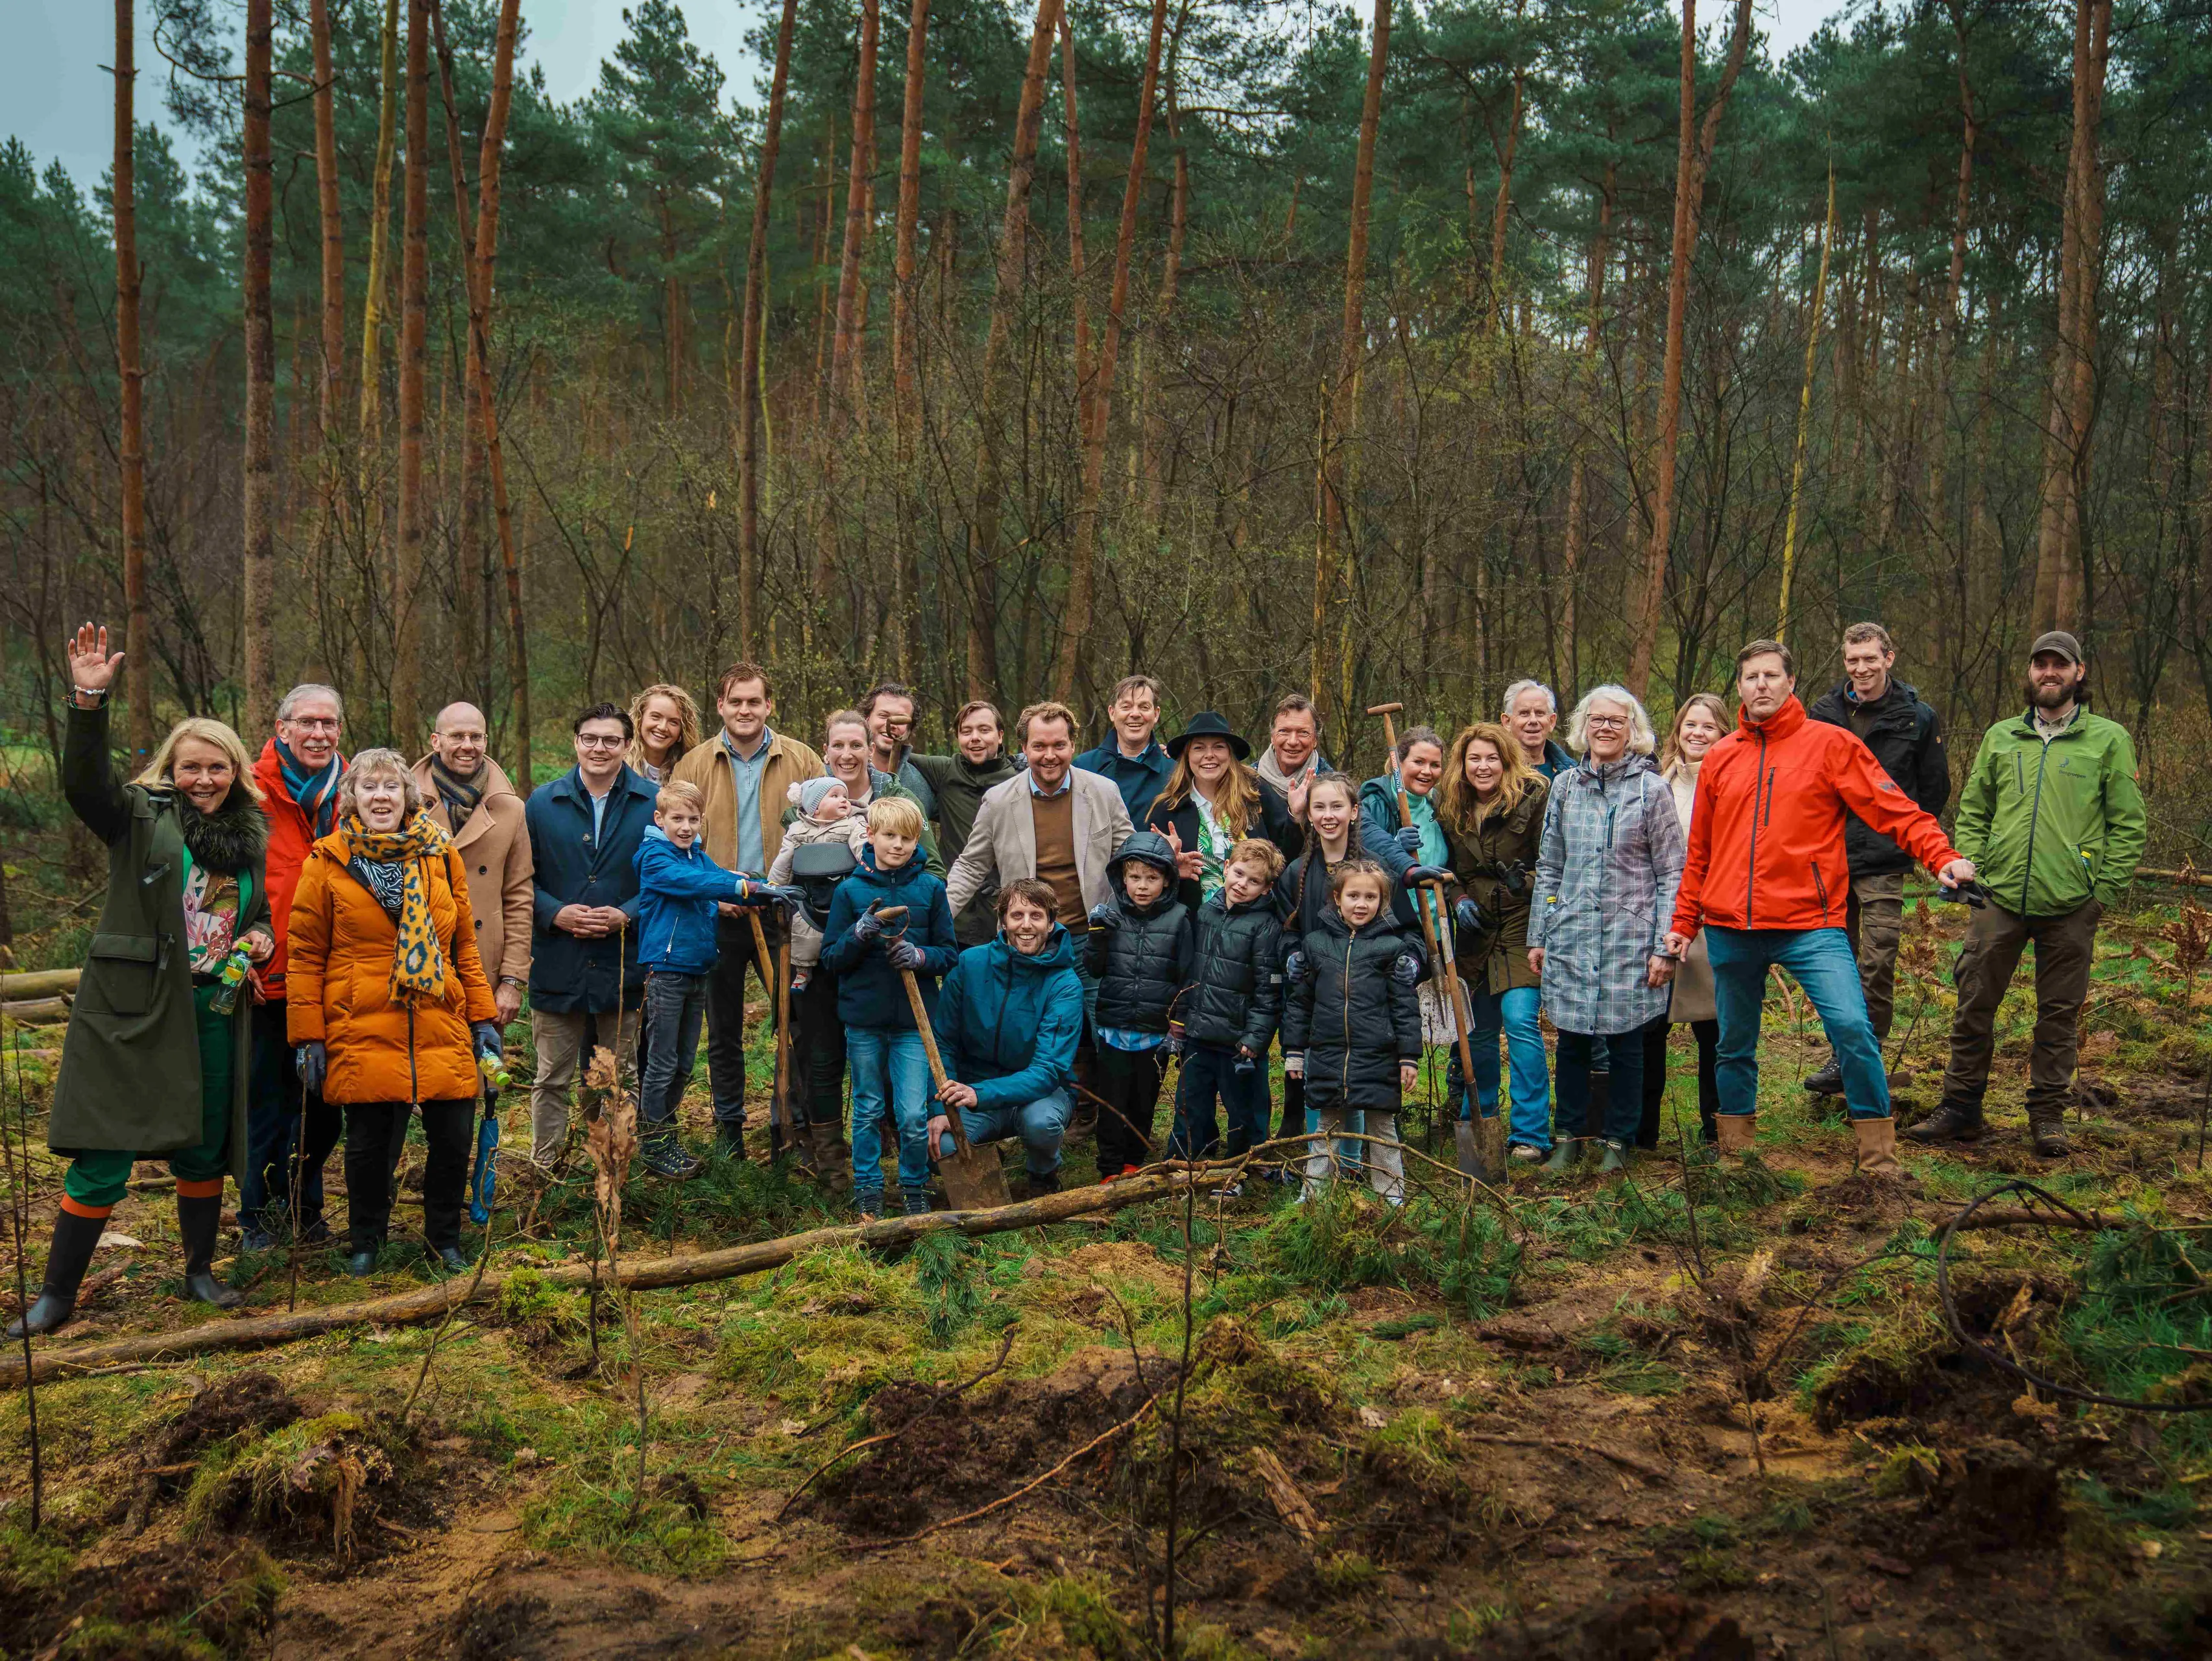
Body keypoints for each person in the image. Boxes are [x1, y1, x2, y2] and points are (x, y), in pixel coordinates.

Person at [10, 625, 274, 1337]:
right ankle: (56, 1296)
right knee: (104, 1150)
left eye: (217, 768)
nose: (204, 780)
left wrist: (259, 937)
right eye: (191, 767)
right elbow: (81, 783)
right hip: (132, 1008)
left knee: (203, 1145)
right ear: (170, 768)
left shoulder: (251, 836)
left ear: (237, 772)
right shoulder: (137, 814)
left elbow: (264, 916)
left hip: (212, 1009)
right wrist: (89, 700)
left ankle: (198, 1271)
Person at [1664, 642, 1977, 1178]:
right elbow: (1701, 855)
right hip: (1732, 929)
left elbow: (1895, 807)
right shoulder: (1721, 758)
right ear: (1738, 688)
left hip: (1811, 925)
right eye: (1750, 677)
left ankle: (1878, 1159)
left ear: (1791, 682)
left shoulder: (1830, 745)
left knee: (1853, 1028)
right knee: (1734, 1045)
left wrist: (1942, 857)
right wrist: (1683, 923)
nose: (1760, 685)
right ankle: (1737, 1159)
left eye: (1770, 675)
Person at [1914, 631, 2146, 1155]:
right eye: (2040, 664)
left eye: (2059, 665)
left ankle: (2047, 1116)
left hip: (2071, 904)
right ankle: (1961, 1107)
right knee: (1974, 1003)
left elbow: (2128, 825)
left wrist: (2101, 893)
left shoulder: (2108, 739)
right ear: (2030, 672)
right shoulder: (2001, 737)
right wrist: (1970, 863)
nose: (2049, 673)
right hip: (1997, 897)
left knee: (2058, 1014)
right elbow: (1975, 808)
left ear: (2079, 673)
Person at [286, 749, 502, 1276]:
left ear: (408, 796)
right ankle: (367, 1243)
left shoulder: (438, 854)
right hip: (360, 1024)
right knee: (366, 1148)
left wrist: (483, 1019)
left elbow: (463, 949)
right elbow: (305, 953)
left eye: (390, 787)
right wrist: (308, 1036)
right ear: (352, 798)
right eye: (369, 787)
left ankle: (444, 1241)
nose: (380, 796)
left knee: (453, 1139)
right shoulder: (327, 860)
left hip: (440, 1019)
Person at [669, 663, 824, 1154]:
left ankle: (793, 1127)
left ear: (769, 706)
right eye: (736, 701)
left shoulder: (802, 760)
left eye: (754, 702)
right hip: (719, 914)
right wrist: (711, 892)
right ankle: (729, 1129)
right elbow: (675, 841)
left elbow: (825, 832)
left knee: (795, 1022)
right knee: (723, 1029)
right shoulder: (695, 764)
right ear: (720, 706)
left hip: (783, 912)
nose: (745, 710)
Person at [1529, 688, 1684, 1173]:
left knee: (1627, 1043)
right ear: (1583, 727)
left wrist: (1665, 944)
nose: (1606, 728)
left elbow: (1672, 872)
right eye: (1597, 720)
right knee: (1572, 1041)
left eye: (1617, 721)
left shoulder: (1651, 790)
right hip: (1572, 933)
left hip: (1630, 939)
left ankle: (1618, 1140)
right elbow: (1550, 866)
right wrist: (1540, 933)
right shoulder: (1565, 787)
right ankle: (1568, 1136)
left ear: (1633, 730)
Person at [1802, 624, 1951, 1096]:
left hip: (1886, 857)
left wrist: (1912, 839)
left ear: (1889, 657)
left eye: (1870, 659)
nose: (1861, 668)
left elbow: (1932, 789)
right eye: (1853, 660)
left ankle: (1868, 1050)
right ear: (1844, 663)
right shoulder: (1822, 713)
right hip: (1829, 855)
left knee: (1878, 958)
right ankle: (1840, 1054)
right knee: (1834, 960)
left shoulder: (1918, 717)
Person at [634, 780, 793, 1180]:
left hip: (697, 968)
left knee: (685, 1062)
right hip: (667, 970)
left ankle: (666, 1134)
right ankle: (652, 1141)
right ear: (660, 819)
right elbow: (702, 884)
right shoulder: (655, 857)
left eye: (692, 819)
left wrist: (769, 892)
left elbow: (722, 878)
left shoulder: (695, 855)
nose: (685, 827)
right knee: (662, 1060)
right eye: (677, 819)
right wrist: (743, 885)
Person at [524, 704, 660, 1165]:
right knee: (552, 1077)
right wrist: (554, 913)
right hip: (558, 958)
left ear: (628, 745)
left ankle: (614, 1165)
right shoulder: (543, 803)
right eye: (589, 738)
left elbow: (667, 878)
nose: (599, 748)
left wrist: (627, 913)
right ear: (575, 742)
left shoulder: (652, 802)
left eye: (610, 740)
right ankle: (546, 1168)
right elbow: (522, 879)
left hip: (624, 960)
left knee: (621, 1074)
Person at [948, 701, 1135, 1033]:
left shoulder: (1104, 793)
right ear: (1023, 748)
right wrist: (935, 914)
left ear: (1072, 745)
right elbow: (970, 866)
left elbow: (1129, 857)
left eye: (1059, 745)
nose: (1050, 755)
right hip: (1027, 942)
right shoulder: (999, 800)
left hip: (1092, 940)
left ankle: (1100, 1085)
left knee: (1105, 1033)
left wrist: (1162, 863)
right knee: (1027, 1036)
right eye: (1040, 746)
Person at [243, 681, 348, 1248]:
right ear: (282, 729)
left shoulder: (355, 791)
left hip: (336, 980)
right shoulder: (249, 791)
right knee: (268, 1103)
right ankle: (256, 1220)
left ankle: (306, 1211)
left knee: (325, 1106)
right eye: (307, 722)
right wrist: (238, 956)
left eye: (329, 724)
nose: (319, 733)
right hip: (268, 977)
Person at [824, 797, 960, 1218]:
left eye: (906, 838)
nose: (897, 846)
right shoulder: (849, 891)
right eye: (889, 836)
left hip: (913, 1024)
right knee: (867, 1107)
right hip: (863, 1020)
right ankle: (868, 1185)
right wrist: (859, 933)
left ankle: (915, 1184)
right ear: (870, 836)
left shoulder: (931, 889)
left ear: (916, 839)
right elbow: (832, 958)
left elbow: (949, 953)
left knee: (913, 1112)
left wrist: (921, 958)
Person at [1435, 723, 1550, 1161]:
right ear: (1462, 767)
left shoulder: (1535, 798)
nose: (1483, 767)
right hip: (1475, 931)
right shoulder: (1451, 810)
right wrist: (1459, 897)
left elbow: (1556, 861)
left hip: (1522, 925)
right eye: (1474, 759)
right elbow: (1446, 871)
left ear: (1506, 762)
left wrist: (1529, 882)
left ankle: (1531, 1134)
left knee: (1520, 1022)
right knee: (1477, 1033)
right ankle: (1479, 1123)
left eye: (1491, 759)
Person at [929, 879, 1086, 1198]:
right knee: (938, 1146)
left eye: (1036, 916)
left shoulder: (1065, 984)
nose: (1026, 925)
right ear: (1002, 921)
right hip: (973, 1087)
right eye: (1017, 915)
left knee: (1041, 1125)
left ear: (1051, 922)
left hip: (1040, 1094)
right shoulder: (970, 964)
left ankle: (1043, 1174)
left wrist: (979, 1093)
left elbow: (1048, 1071)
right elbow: (942, 1041)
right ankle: (988, 1159)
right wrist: (941, 1109)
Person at [1283, 860, 1422, 1205]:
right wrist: (1295, 1051)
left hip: (1378, 1054)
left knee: (1382, 1129)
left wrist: (1408, 1058)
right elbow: (1301, 1004)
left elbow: (1405, 1007)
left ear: (1383, 902)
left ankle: (1390, 1193)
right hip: (1328, 1052)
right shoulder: (1316, 945)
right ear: (1337, 897)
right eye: (1354, 895)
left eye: (1371, 897)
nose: (1362, 904)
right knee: (1325, 1128)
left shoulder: (1392, 949)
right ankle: (1314, 1192)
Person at [1166, 837, 1288, 1189]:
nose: (1241, 884)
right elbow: (1192, 974)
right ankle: (1187, 1160)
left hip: (1239, 1042)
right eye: (1238, 874)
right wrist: (1181, 1019)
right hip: (1200, 1034)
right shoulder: (1206, 912)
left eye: (1253, 881)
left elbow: (1269, 991)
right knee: (1190, 1104)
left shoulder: (1265, 927)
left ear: (1266, 889)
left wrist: (1255, 1038)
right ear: (1226, 869)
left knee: (1245, 1110)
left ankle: (1245, 1166)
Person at [1641, 695, 1727, 1152]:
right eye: (1690, 725)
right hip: (1659, 917)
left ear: (1723, 733)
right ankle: (1643, 1131)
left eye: (1708, 727)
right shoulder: (1657, 783)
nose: (1697, 734)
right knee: (1650, 1027)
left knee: (1712, 1029)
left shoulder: (1734, 781)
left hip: (1713, 920)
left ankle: (1716, 1130)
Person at [415, 703, 532, 1031]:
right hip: (418, 965)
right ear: (436, 741)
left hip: (484, 968)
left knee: (484, 1072)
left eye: (476, 736)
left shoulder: (511, 808)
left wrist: (512, 980)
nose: (468, 745)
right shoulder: (402, 800)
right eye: (457, 736)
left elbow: (519, 897)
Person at [1085, 831, 1194, 1180]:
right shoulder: (1110, 914)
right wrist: (1098, 934)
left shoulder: (1178, 919)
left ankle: (1134, 1159)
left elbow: (1186, 976)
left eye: (1152, 878)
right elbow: (1094, 968)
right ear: (1122, 878)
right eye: (1134, 877)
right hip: (1114, 1026)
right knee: (1113, 1101)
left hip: (1154, 1031)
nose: (1142, 886)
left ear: (1167, 880)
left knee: (1143, 1101)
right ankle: (1109, 1166)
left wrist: (1178, 1024)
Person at [1275, 772, 1373, 1152]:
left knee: (1360, 1078)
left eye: (1337, 806)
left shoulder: (1374, 869)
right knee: (1319, 1074)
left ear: (1354, 811)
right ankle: (1322, 1163)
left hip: (1365, 997)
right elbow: (1285, 930)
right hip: (1316, 997)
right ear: (1309, 815)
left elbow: (1403, 932)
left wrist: (1407, 962)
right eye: (1319, 807)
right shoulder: (1296, 873)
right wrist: (1292, 955)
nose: (1328, 815)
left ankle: (1354, 1163)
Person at [1147, 712, 1304, 912]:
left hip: (1256, 926)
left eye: (1218, 747)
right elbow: (1146, 877)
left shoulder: (1256, 795)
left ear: (1230, 754)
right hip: (1193, 928)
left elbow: (1287, 857)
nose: (1209, 755)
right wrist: (1171, 869)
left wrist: (1296, 817)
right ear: (1187, 756)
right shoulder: (1167, 809)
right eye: (1199, 748)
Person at [908, 699, 1020, 945]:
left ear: (1001, 736)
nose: (975, 738)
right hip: (956, 908)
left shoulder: (1019, 779)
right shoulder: (945, 770)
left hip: (1005, 912)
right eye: (966, 732)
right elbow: (897, 755)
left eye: (984, 730)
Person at [767, 777, 869, 992]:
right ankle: (803, 971)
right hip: (810, 897)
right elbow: (784, 862)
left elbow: (864, 848)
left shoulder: (853, 824)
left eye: (844, 796)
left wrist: (870, 869)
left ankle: (850, 973)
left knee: (848, 935)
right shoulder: (796, 830)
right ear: (815, 808)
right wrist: (774, 886)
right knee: (803, 933)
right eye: (835, 796)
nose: (843, 800)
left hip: (843, 895)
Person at [819, 710, 944, 875]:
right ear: (827, 751)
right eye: (838, 746)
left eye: (856, 745)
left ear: (871, 750)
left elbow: (934, 869)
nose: (847, 755)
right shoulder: (811, 801)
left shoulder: (900, 799)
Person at [1358, 725, 1455, 936]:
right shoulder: (1375, 803)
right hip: (1394, 931)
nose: (1427, 771)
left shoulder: (1440, 806)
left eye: (1435, 765)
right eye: (1418, 762)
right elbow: (1357, 861)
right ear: (1399, 763)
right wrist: (1395, 844)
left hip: (1438, 930)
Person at [1074, 673, 1174, 824]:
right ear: (1112, 713)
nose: (1135, 714)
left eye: (1144, 707)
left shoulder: (1174, 772)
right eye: (1126, 707)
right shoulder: (1082, 768)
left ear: (1156, 714)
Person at [860, 681, 936, 819]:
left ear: (909, 728)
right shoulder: (837, 773)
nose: (892, 724)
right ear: (867, 720)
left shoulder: (921, 784)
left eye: (901, 720)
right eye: (883, 716)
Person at [1254, 693, 1331, 823]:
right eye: (1284, 731)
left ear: (1315, 740)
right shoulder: (1247, 783)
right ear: (1272, 737)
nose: (1293, 741)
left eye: (1303, 732)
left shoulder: (1330, 784)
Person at [627, 683, 703, 784]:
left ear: (682, 732)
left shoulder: (690, 773)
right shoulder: (617, 767)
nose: (663, 727)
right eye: (656, 717)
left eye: (673, 722)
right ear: (640, 719)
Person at [1503, 681, 1575, 781]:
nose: (1533, 720)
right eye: (1524, 713)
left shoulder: (1573, 776)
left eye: (1540, 713)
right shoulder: (1494, 774)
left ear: (1552, 722)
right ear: (1507, 722)